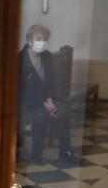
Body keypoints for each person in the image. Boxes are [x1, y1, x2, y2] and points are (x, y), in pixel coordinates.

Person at [19, 24, 79, 165]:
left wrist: (50, 100)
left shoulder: (47, 56)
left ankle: (66, 152)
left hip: (45, 99)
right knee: (39, 114)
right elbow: (24, 90)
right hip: (26, 103)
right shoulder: (20, 60)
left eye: (45, 39)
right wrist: (45, 104)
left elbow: (51, 83)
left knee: (64, 109)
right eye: (38, 38)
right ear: (29, 41)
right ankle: (36, 154)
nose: (42, 41)